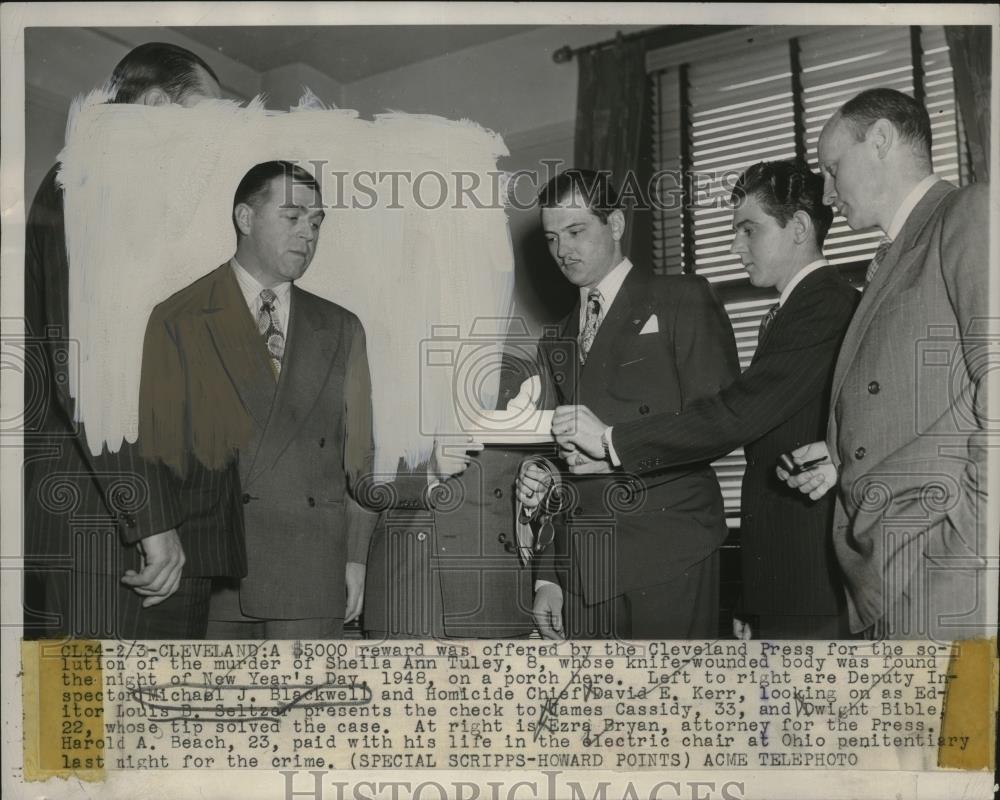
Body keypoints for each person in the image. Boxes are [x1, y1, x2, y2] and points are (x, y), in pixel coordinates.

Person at [550, 161, 859, 639]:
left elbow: (731, 415)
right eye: (552, 239)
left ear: (798, 227)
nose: (735, 246)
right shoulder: (788, 312)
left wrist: (612, 443)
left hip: (732, 558)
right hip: (606, 567)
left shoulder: (823, 303)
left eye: (748, 230)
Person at [24, 42, 231, 639]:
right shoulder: (93, 181)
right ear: (157, 104)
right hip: (105, 522)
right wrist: (152, 520)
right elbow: (92, 369)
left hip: (140, 521)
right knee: (85, 728)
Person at [779, 88, 990, 641]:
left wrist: (960, 556)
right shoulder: (899, 251)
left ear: (879, 141)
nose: (825, 194)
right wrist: (845, 453)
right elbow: (936, 393)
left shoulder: (968, 213)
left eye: (831, 168)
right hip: (887, 583)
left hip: (944, 580)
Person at [138, 161, 374, 639]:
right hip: (215, 573)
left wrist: (355, 556)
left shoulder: (342, 327)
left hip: (313, 571)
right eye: (292, 217)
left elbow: (361, 455)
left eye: (316, 222)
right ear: (245, 219)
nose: (308, 233)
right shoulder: (178, 316)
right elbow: (154, 453)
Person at [516, 169, 740, 640]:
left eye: (577, 231)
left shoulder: (683, 299)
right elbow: (561, 467)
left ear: (615, 225)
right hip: (582, 572)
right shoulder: (554, 338)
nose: (563, 251)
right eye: (553, 238)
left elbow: (721, 423)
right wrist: (549, 575)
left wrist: (614, 446)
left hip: (667, 552)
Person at [363, 356, 536, 640]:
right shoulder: (387, 364)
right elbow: (358, 463)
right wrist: (429, 472)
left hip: (493, 591)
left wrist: (539, 476)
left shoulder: (522, 371)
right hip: (411, 588)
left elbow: (548, 458)